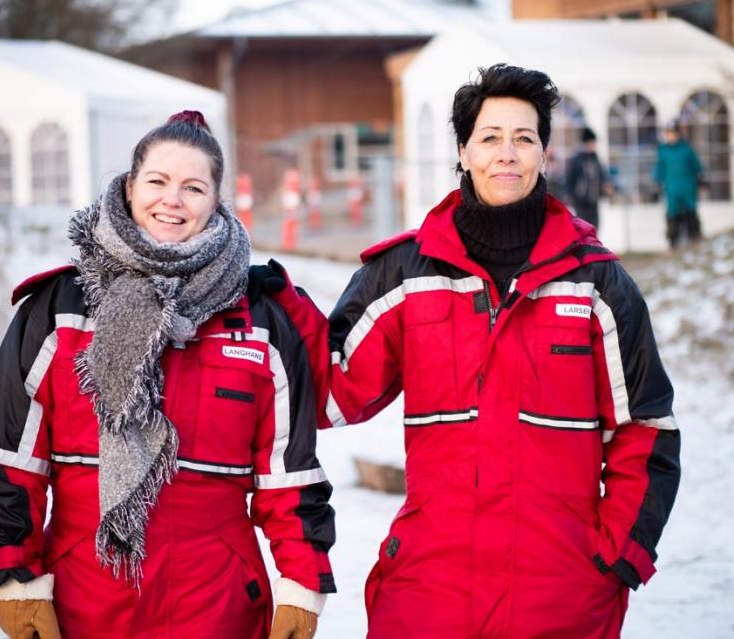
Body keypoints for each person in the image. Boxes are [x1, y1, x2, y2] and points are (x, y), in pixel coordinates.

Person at [260, 64, 681, 638]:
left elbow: (647, 429)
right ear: (463, 149)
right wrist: (279, 307)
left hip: (561, 597)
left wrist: (615, 559)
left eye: (524, 138)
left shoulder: (596, 284)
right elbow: (332, 394)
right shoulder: (405, 275)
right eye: (489, 137)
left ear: (543, 153)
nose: (506, 153)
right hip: (429, 594)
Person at [0, 111, 335, 639]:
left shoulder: (260, 318)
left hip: (218, 602)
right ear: (131, 187)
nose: (172, 200)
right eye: (157, 181)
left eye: (193, 187)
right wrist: (17, 578)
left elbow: (288, 474)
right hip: (85, 598)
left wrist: (301, 586)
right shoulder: (62, 306)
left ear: (216, 201)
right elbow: (8, 456)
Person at [654, 120, 704, 248]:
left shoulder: (686, 148)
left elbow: (696, 166)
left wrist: (701, 180)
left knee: (691, 214)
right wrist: (656, 184)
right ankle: (673, 242)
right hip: (672, 189)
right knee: (673, 216)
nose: (670, 136)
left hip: (688, 188)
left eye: (672, 133)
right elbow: (659, 169)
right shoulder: (663, 150)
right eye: (668, 133)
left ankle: (695, 239)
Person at [565, 127, 612, 230]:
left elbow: (602, 175)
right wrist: (571, 197)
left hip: (594, 200)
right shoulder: (577, 160)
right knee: (583, 228)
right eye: (591, 142)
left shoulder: (596, 159)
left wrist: (606, 184)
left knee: (595, 227)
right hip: (580, 202)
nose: (593, 145)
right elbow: (569, 180)